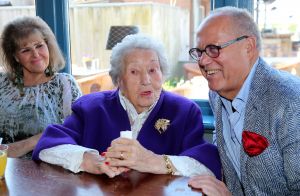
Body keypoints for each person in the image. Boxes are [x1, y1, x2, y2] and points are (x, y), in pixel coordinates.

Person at [32, 34, 222, 179]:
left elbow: (206, 164)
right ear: (119, 80)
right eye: (134, 72)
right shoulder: (91, 108)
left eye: (153, 70)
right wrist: (90, 161)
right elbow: (48, 146)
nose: (146, 80)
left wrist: (154, 162)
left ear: (162, 73)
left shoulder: (184, 111)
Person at [187, 6, 300, 196]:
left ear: (248, 47)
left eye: (213, 49)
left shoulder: (290, 102)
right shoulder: (217, 93)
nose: (203, 62)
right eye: (199, 52)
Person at [0, 16, 82, 158]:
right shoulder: (2, 84)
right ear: (15, 56)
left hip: (51, 172)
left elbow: (76, 137)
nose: (36, 55)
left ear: (48, 45)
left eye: (39, 46)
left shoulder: (64, 85)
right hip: (5, 171)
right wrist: (33, 142)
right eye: (25, 50)